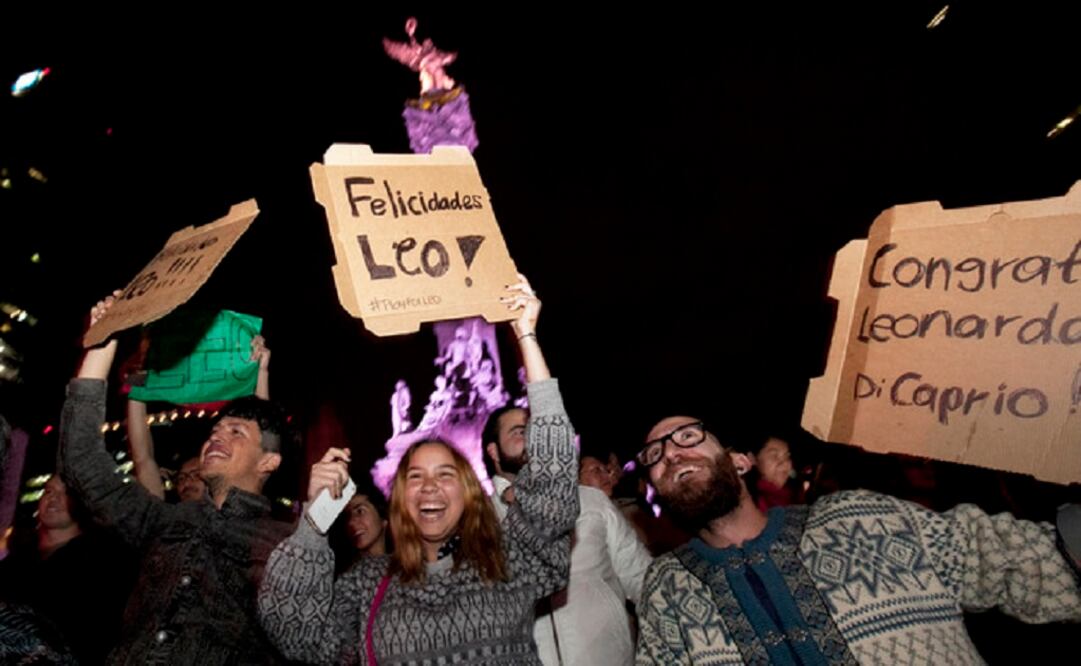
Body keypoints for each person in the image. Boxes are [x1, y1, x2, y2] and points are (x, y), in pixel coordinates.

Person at [258, 276, 579, 664]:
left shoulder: (509, 562)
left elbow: (553, 483)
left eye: (445, 474)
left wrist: (526, 336)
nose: (429, 487)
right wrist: (314, 521)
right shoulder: (367, 584)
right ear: (398, 499)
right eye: (415, 476)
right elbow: (296, 638)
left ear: (469, 493)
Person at [633, 416, 1081, 664]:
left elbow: (1018, 559)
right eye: (654, 455)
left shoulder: (860, 518)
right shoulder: (667, 588)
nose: (671, 453)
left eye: (689, 436)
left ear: (739, 461)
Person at [57, 293, 293, 664]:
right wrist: (103, 343)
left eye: (235, 432)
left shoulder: (289, 545)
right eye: (215, 429)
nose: (216, 435)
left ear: (269, 462)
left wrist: (259, 375)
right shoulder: (161, 522)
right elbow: (82, 461)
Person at [484, 415, 651, 665]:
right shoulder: (477, 521)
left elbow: (644, 583)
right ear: (494, 451)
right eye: (519, 432)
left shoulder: (592, 501)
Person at [0, 474, 135, 664]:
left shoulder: (100, 558)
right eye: (48, 491)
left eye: (66, 493)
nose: (53, 498)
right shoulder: (19, 559)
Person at [329, 481, 390, 574]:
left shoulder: (405, 571)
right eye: (347, 516)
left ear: (383, 518)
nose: (351, 522)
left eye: (360, 511)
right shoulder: (343, 576)